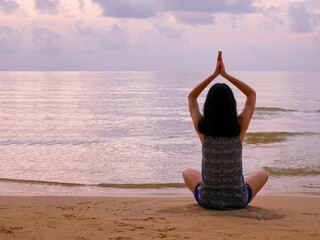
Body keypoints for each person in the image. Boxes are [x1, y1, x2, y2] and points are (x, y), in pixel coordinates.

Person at [182, 51, 268, 209]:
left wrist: (214, 75)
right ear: (232, 105)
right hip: (238, 201)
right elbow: (251, 94)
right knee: (263, 174)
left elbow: (192, 97)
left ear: (208, 105)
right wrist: (225, 75)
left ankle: (212, 189)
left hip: (207, 201)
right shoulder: (239, 128)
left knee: (187, 172)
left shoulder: (203, 129)